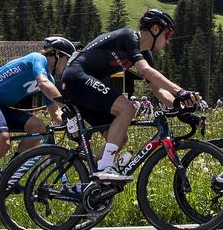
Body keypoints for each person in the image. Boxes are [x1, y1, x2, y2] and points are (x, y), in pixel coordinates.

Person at [59, 9, 200, 182]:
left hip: (84, 85)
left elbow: (159, 91)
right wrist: (181, 91)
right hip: (76, 77)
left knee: (120, 137)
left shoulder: (144, 54)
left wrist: (182, 110)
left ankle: (90, 185)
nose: (168, 41)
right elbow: (145, 71)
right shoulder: (129, 37)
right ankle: (105, 167)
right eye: (168, 34)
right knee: (128, 108)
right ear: (156, 29)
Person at [0, 36, 74, 196]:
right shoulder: (38, 59)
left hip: (1, 106)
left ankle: (9, 175)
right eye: (67, 60)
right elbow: (43, 84)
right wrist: (68, 104)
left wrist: (70, 122)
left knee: (39, 128)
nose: (67, 66)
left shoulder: (49, 79)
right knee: (3, 142)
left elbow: (55, 112)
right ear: (58, 55)